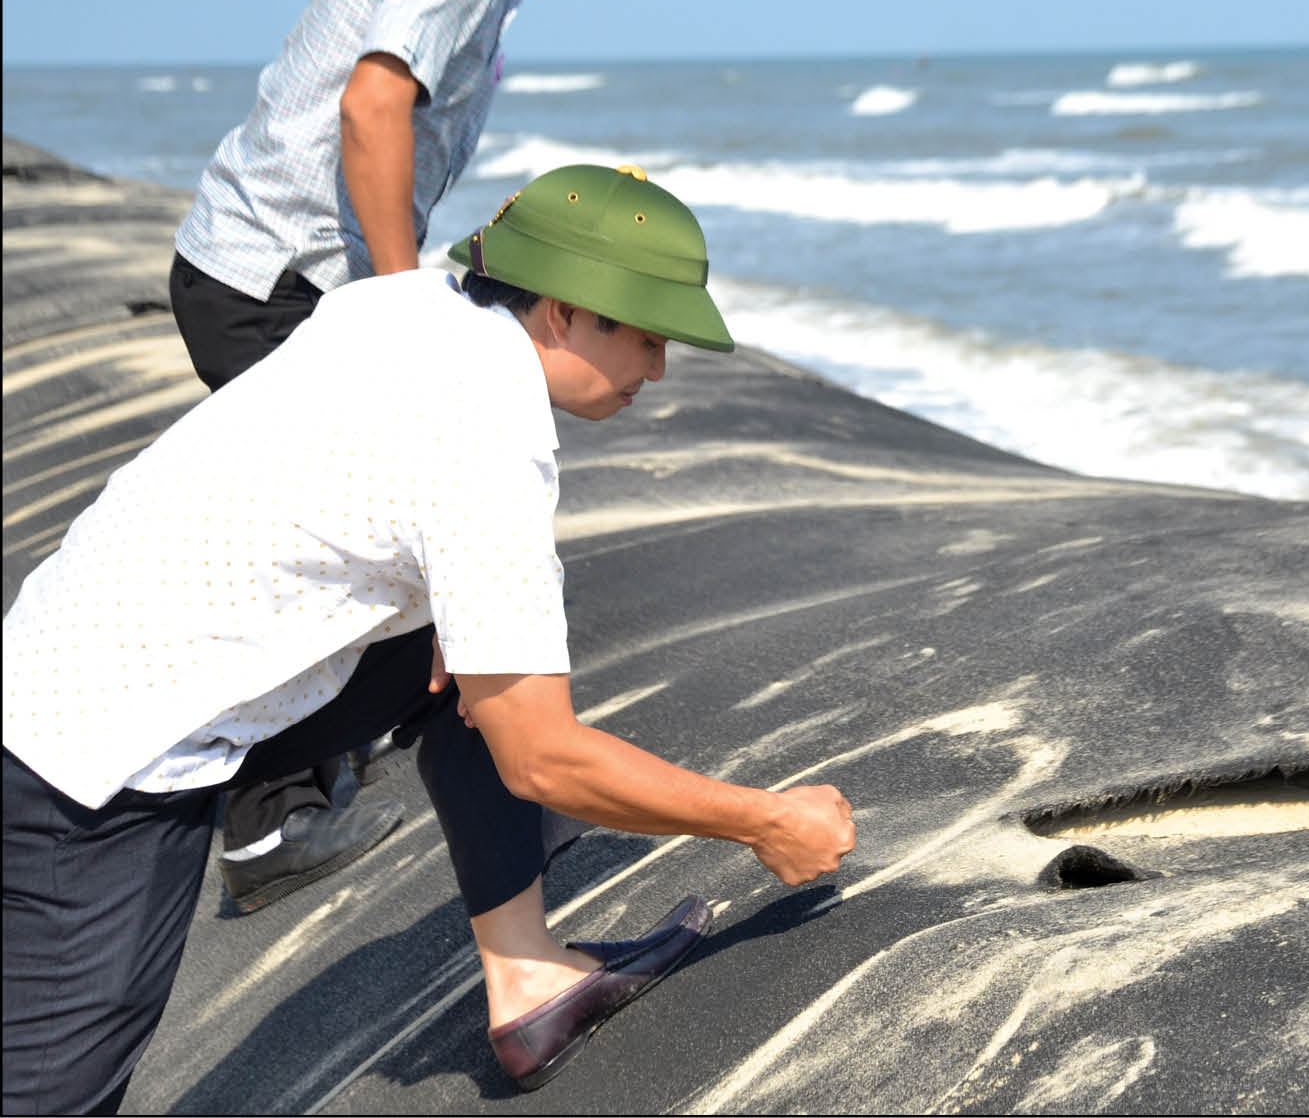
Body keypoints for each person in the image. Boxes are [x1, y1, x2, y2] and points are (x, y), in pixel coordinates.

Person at [2, 164, 858, 1113]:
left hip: (74, 645)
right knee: (61, 1076)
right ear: (564, 313)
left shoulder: (406, 303)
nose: (656, 370)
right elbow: (543, 758)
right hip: (96, 746)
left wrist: (440, 613)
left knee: (487, 654)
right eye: (648, 337)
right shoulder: (485, 445)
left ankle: (528, 975)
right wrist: (764, 821)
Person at [165, 0, 663, 914]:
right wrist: (399, 305)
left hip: (261, 271)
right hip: (277, 284)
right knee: (401, 553)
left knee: (395, 547)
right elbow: (374, 106)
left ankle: (368, 778)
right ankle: (268, 811)